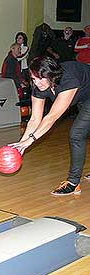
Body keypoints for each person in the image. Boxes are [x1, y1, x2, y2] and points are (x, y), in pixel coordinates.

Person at [10, 56, 90, 196]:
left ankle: (73, 182)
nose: (37, 83)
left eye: (40, 78)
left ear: (51, 75)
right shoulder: (38, 87)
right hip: (85, 96)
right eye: (34, 79)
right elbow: (35, 119)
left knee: (77, 134)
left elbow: (51, 117)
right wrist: (22, 143)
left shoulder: (68, 80)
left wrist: (30, 140)